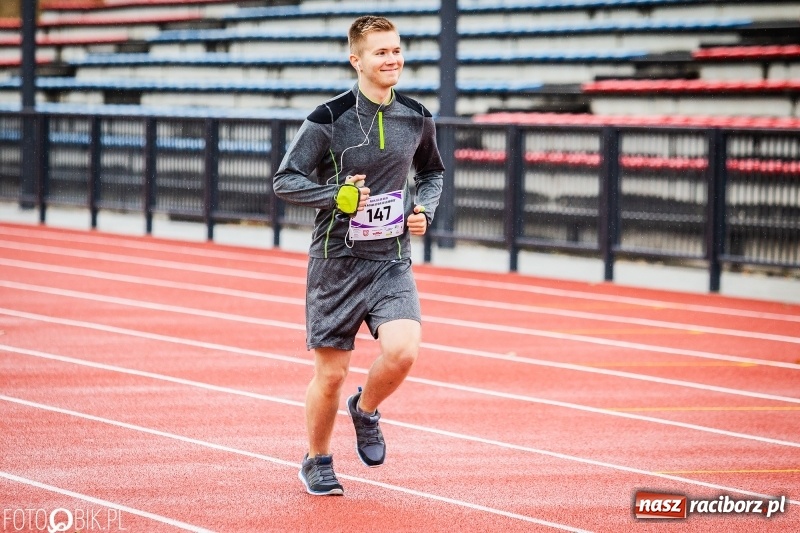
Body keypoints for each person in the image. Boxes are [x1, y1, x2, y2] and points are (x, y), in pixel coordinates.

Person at [273, 15, 444, 496]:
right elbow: (285, 180)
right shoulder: (328, 118)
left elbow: (432, 172)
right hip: (336, 263)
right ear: (357, 60)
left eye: (396, 50)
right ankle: (317, 459)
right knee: (330, 375)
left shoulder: (417, 116)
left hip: (391, 259)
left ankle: (365, 410)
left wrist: (424, 210)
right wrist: (336, 196)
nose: (392, 60)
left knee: (403, 351)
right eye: (380, 52)